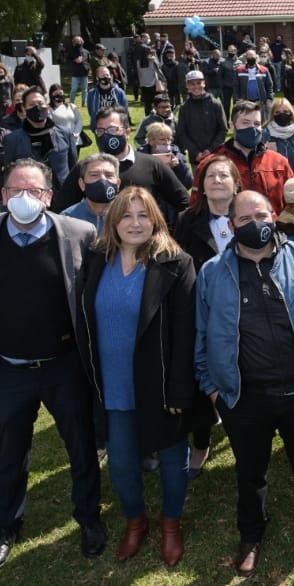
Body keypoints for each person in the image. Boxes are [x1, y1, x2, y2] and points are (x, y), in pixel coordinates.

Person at [195, 190, 294, 576]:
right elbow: (201, 336)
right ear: (231, 227)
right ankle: (251, 534)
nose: (255, 225)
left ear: (274, 216)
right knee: (250, 471)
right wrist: (213, 387)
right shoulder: (213, 272)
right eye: (245, 220)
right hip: (245, 396)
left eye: (261, 216)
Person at [0, 159, 105, 571]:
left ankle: (89, 518)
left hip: (63, 365)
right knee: (11, 450)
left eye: (35, 191)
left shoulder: (79, 233)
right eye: (15, 190)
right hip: (8, 368)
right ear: (3, 195)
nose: (24, 198)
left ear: (49, 196)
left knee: (80, 447)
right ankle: (7, 526)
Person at [78, 187, 197, 564]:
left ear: (156, 220)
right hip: (113, 384)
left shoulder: (174, 264)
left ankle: (171, 524)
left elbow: (186, 333)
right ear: (113, 221)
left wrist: (180, 391)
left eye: (143, 215)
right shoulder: (97, 258)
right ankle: (135, 522)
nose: (134, 223)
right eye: (126, 215)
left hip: (159, 385)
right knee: (122, 463)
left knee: (172, 459)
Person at [173, 156, 243, 476]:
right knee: (202, 375)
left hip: (247, 308)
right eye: (211, 175)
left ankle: (248, 430)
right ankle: (201, 440)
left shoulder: (249, 214)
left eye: (224, 175)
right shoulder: (187, 220)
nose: (217, 180)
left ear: (235, 184)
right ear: (200, 185)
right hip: (203, 310)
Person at [53, 107, 188, 216]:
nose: (107, 135)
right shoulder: (85, 168)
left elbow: (184, 203)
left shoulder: (152, 165)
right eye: (101, 131)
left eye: (113, 129)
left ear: (127, 132)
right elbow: (60, 210)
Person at [212, 101, 294, 215]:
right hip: (230, 230)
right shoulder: (213, 163)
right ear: (232, 126)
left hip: (274, 228)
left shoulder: (279, 162)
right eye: (245, 123)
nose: (252, 128)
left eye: (257, 124)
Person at [4, 87, 78, 191]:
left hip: (62, 198)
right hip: (30, 198)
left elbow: (74, 168)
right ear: (24, 110)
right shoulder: (12, 140)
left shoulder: (65, 133)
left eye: (40, 104)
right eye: (32, 105)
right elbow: (10, 174)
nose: (37, 108)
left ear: (47, 107)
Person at [62, 153, 121, 234]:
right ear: (82, 184)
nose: (102, 179)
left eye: (109, 175)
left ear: (118, 184)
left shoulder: (129, 215)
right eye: (94, 175)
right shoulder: (68, 219)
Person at [265, 97, 294, 177]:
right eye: (277, 112)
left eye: (285, 111)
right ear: (272, 115)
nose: (282, 114)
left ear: (291, 113)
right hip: (276, 184)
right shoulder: (265, 134)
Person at [66, 36, 90, 104]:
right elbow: (67, 61)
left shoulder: (86, 52)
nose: (78, 42)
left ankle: (84, 103)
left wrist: (88, 69)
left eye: (79, 41)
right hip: (75, 74)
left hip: (84, 73)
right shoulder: (71, 51)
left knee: (84, 90)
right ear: (73, 43)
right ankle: (71, 103)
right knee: (74, 89)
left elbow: (89, 62)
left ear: (82, 42)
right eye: (76, 41)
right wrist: (75, 60)